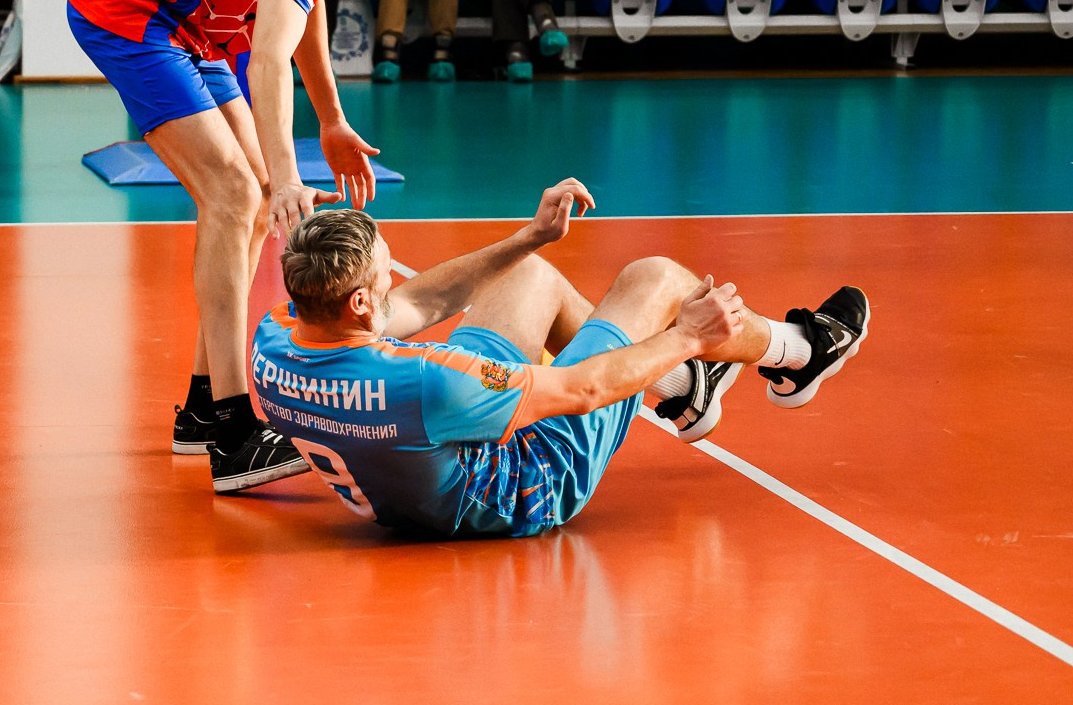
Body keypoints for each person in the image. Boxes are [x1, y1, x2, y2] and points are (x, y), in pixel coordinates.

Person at [65, 0, 478, 493]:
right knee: (238, 193)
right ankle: (232, 433)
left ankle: (202, 407)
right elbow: (267, 57)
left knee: (248, 205)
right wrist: (287, 174)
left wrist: (335, 119)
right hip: (133, 8)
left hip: (199, 21)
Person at [251, 181, 871, 538]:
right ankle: (803, 350)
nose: (394, 281)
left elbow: (421, 299)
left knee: (531, 275)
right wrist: (686, 335)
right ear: (361, 302)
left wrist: (531, 236)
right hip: (518, 486)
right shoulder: (431, 380)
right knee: (654, 278)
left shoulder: (275, 340)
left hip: (412, 470)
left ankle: (686, 391)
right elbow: (582, 389)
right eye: (384, 274)